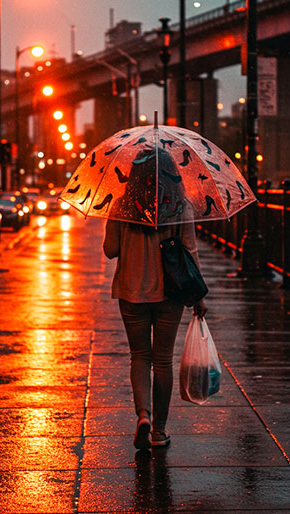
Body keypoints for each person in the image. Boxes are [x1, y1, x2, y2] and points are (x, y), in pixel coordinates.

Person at [102, 148, 207, 450]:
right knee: (162, 360)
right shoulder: (180, 206)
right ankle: (159, 431)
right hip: (169, 294)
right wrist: (197, 297)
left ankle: (143, 415)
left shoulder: (122, 205)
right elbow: (189, 251)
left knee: (139, 357)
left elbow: (110, 250)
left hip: (131, 291)